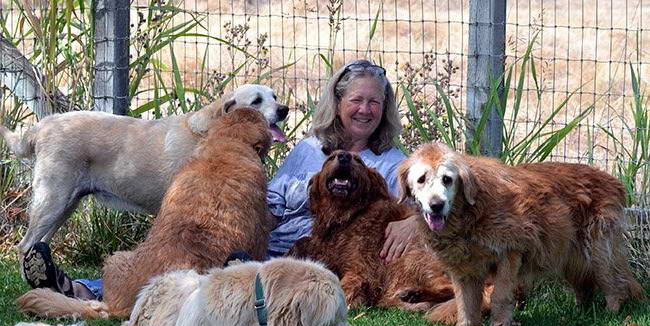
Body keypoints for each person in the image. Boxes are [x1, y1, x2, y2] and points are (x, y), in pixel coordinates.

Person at [21, 59, 419, 301]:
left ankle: (91, 292)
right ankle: (84, 288)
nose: (365, 110)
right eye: (357, 100)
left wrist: (412, 221)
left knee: (204, 273)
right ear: (338, 104)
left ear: (385, 110)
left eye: (374, 102)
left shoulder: (393, 162)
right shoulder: (307, 150)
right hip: (262, 242)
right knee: (191, 256)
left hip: (320, 257)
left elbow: (429, 207)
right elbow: (268, 200)